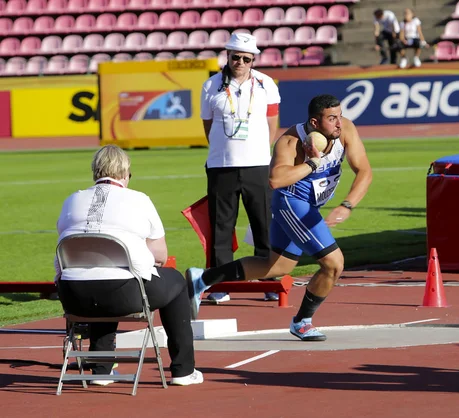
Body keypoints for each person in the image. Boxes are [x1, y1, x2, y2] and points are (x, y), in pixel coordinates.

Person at [186, 94, 373, 341]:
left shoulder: (345, 129)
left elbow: (365, 171)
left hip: (310, 206)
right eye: (332, 118)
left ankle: (202, 278)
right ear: (315, 123)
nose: (339, 122)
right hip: (292, 203)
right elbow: (275, 180)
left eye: (339, 115)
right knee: (334, 264)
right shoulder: (290, 141)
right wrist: (313, 163)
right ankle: (302, 321)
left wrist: (347, 205)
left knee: (275, 266)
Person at [55, 145, 202, 386]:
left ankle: (101, 370)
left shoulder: (72, 199)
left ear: (95, 172)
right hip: (124, 294)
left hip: (73, 296)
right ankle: (183, 369)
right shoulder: (139, 199)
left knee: (100, 273)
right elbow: (160, 256)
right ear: (126, 174)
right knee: (175, 281)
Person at [200, 32, 281, 304]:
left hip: (257, 165)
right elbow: (207, 126)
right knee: (221, 228)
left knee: (264, 225)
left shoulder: (266, 84)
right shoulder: (210, 86)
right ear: (228, 55)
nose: (241, 62)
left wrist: (261, 152)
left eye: (247, 58)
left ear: (253, 60)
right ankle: (222, 285)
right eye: (236, 57)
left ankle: (269, 281)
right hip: (222, 166)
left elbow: (273, 123)